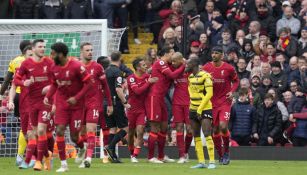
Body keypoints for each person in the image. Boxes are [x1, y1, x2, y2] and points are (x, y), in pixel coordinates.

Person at [44, 42, 91, 172]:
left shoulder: (76, 66)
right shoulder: (53, 67)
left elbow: (88, 83)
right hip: (61, 103)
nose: (51, 55)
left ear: (60, 54)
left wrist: (76, 98)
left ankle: (82, 147)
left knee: (74, 137)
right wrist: (48, 96)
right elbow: (54, 84)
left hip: (77, 105)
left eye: (53, 53)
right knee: (59, 130)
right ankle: (64, 164)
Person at [14, 39, 53, 171]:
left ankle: (35, 161)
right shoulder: (26, 64)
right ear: (34, 48)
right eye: (40, 46)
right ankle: (47, 155)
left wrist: (50, 87)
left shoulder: (49, 62)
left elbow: (57, 79)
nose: (43, 49)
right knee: (31, 133)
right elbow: (16, 79)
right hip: (32, 103)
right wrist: (23, 83)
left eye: (44, 46)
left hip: (46, 102)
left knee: (41, 130)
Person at [145, 46, 185, 163]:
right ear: (167, 53)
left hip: (161, 99)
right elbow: (173, 76)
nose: (173, 56)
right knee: (155, 128)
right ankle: (151, 157)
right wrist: (183, 65)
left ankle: (161, 156)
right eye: (172, 53)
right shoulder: (161, 62)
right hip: (154, 98)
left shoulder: (167, 65)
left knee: (164, 127)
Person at [78, 42, 113, 168]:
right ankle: (83, 152)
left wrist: (109, 103)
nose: (90, 52)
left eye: (91, 50)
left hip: (94, 103)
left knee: (91, 130)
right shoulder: (76, 66)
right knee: (80, 134)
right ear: (81, 52)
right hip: (79, 104)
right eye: (87, 50)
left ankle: (88, 158)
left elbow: (105, 86)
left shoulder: (97, 67)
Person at [203, 46, 239, 165]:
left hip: (225, 102)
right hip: (211, 103)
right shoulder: (206, 67)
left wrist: (232, 91)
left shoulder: (228, 68)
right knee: (215, 129)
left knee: (223, 127)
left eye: (216, 53)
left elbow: (236, 81)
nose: (214, 55)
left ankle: (227, 152)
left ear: (222, 55)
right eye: (212, 53)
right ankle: (221, 154)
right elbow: (200, 81)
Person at [0, 40, 32, 166]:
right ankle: (29, 155)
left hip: (17, 95)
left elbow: (7, 80)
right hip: (27, 94)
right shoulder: (33, 61)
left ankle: (21, 156)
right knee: (31, 125)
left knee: (23, 126)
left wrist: (2, 95)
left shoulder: (14, 61)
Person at [186, 56, 215, 169]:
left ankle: (212, 161)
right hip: (193, 108)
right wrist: (192, 106)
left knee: (207, 133)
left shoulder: (206, 76)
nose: (187, 65)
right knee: (196, 135)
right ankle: (201, 162)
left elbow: (209, 94)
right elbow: (191, 92)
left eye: (189, 63)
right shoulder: (190, 77)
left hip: (205, 108)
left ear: (195, 64)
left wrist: (200, 108)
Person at [127, 57, 158, 163]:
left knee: (140, 131)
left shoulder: (147, 77)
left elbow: (156, 79)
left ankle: (135, 155)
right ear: (137, 67)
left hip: (142, 110)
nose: (146, 66)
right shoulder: (131, 78)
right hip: (131, 109)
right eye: (144, 65)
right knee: (130, 134)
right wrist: (149, 83)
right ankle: (131, 153)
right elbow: (137, 91)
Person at [104, 51, 130, 163]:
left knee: (112, 129)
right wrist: (125, 102)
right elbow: (118, 89)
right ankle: (110, 146)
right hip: (115, 103)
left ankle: (113, 156)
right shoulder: (117, 72)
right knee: (125, 128)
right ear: (120, 58)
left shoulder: (105, 71)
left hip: (105, 103)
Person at [170, 52, 193, 164]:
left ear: (180, 60)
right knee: (179, 127)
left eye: (174, 61)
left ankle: (186, 152)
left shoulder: (190, 70)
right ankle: (181, 155)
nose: (173, 63)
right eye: (172, 61)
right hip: (177, 103)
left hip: (189, 103)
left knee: (189, 130)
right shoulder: (173, 70)